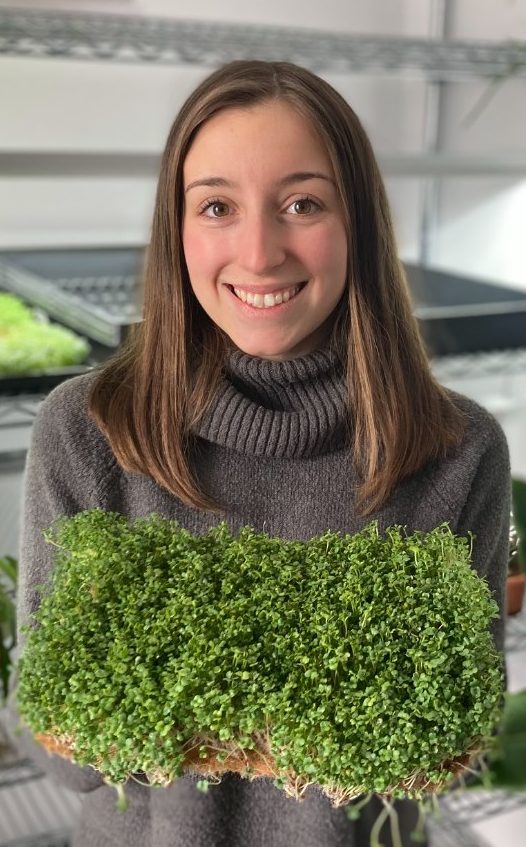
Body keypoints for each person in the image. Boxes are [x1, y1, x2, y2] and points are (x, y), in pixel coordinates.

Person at [9, 60, 510, 847]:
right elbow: (58, 743)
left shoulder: (455, 448)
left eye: (302, 204)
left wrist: (180, 658)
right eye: (217, 206)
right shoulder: (89, 429)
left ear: (359, 223)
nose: (259, 251)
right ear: (177, 230)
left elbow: (449, 735)